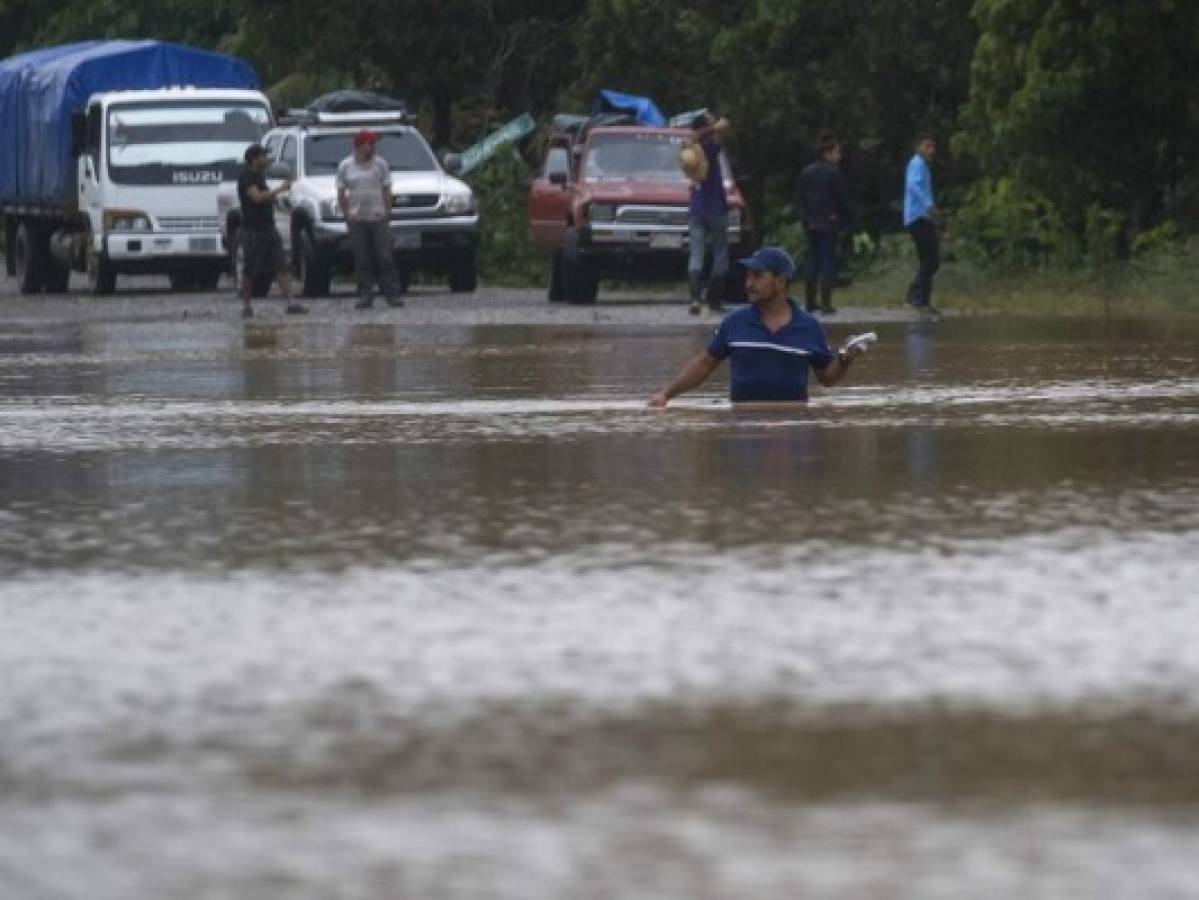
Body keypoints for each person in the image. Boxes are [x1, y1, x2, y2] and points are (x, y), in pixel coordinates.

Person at [648, 246, 869, 407]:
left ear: (780, 282)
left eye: (757, 277)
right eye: (748, 277)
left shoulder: (809, 327)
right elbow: (705, 363)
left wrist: (844, 359)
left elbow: (826, 378)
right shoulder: (735, 321)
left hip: (792, 427)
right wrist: (666, 395)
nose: (748, 284)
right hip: (742, 426)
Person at [236, 144, 307, 318]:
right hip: (254, 231)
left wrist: (277, 200)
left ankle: (291, 303)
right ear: (255, 159)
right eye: (264, 156)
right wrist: (280, 189)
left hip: (268, 228)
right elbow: (257, 198)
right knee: (250, 269)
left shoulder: (260, 177)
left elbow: (265, 198)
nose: (268, 159)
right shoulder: (247, 177)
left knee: (281, 265)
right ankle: (246, 306)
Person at [337, 129, 403, 310]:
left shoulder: (381, 164)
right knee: (362, 259)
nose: (373, 147)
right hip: (357, 219)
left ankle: (392, 294)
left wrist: (388, 211)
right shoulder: (345, 166)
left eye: (374, 144)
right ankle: (366, 294)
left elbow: (387, 189)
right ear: (360, 145)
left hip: (378, 217)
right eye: (370, 144)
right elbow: (342, 192)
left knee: (385, 257)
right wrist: (347, 214)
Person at [795, 131, 854, 315]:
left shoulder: (806, 172)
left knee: (813, 259)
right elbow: (842, 199)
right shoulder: (833, 173)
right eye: (837, 152)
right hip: (829, 222)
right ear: (828, 153)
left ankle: (810, 301)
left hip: (811, 222)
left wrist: (804, 218)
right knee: (828, 260)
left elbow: (799, 198)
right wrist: (847, 220)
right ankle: (826, 302)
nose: (839, 156)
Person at [683, 112, 731, 316]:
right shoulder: (711, 145)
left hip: (696, 205)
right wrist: (715, 127)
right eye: (710, 119)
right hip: (716, 205)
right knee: (720, 252)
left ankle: (695, 298)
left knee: (696, 253)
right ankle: (715, 299)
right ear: (705, 126)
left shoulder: (689, 148)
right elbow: (722, 128)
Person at [904, 133, 939, 315]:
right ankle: (916, 296)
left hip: (922, 217)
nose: (931, 150)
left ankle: (922, 299)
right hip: (917, 217)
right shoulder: (917, 163)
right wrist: (929, 205)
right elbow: (913, 186)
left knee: (930, 260)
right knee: (930, 259)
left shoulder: (923, 165)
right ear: (918, 147)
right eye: (927, 146)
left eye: (932, 146)